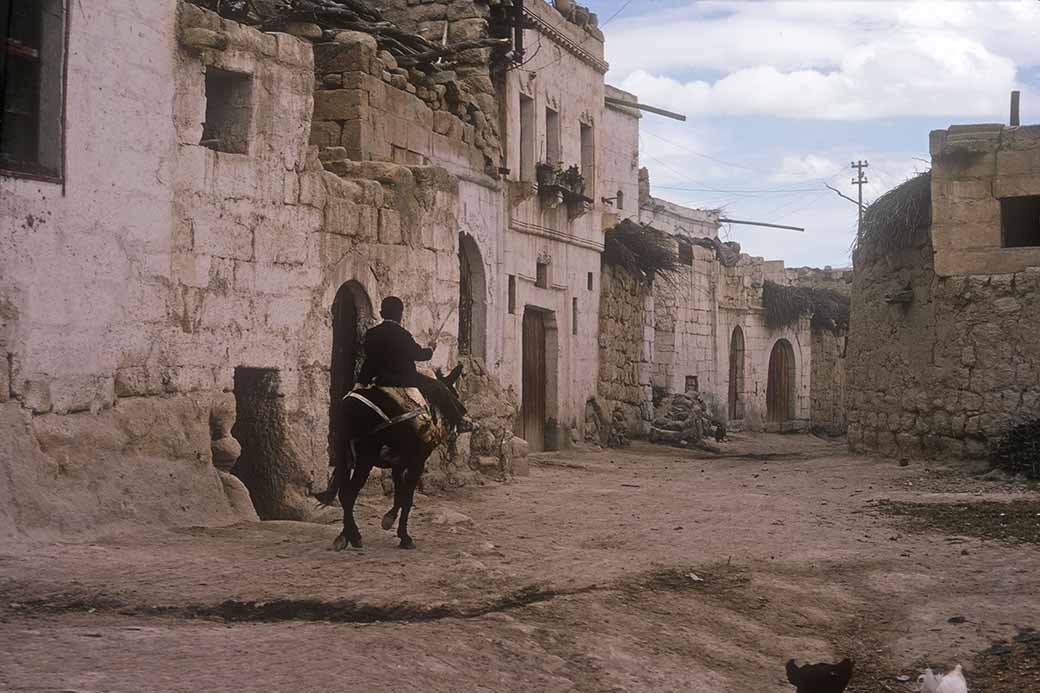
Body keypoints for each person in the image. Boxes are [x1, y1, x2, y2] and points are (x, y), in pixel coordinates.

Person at [358, 296, 472, 432]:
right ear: (400, 315)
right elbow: (419, 355)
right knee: (438, 387)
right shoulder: (403, 335)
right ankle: (458, 421)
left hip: (382, 380)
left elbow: (370, 361)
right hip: (406, 380)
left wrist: (361, 382)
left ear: (382, 314)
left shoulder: (372, 334)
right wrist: (430, 349)